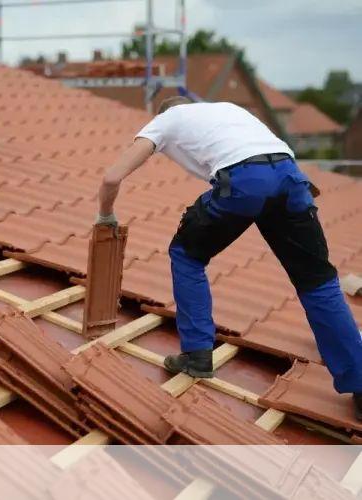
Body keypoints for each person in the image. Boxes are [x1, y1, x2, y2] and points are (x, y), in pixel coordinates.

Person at [96, 96, 362, 421]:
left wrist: (105, 216)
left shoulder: (167, 119)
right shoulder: (228, 111)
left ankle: (196, 355)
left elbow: (111, 177)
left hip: (245, 181)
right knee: (318, 282)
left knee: (187, 254)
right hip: (292, 177)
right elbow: (268, 158)